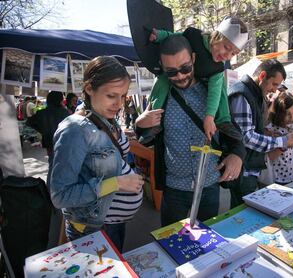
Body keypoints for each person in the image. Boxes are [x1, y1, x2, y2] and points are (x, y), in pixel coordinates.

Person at [135, 35, 245, 226]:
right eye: (171, 72)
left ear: (193, 59)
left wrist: (238, 155)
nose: (180, 76)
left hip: (209, 186)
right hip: (174, 189)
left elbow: (232, 129)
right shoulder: (161, 96)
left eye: (185, 68)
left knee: (207, 245)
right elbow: (146, 137)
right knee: (171, 244)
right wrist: (139, 124)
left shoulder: (212, 91)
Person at [50, 56, 144, 252]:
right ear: (89, 88)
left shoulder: (104, 116)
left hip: (112, 222)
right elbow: (60, 195)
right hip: (93, 228)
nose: (119, 104)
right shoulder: (74, 130)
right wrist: (117, 183)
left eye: (123, 96)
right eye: (111, 95)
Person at [148, 16, 249, 142]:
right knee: (162, 80)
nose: (227, 56)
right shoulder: (194, 36)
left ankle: (224, 120)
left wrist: (210, 116)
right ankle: (153, 117)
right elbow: (175, 37)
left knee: (221, 86)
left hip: (201, 78)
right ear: (217, 35)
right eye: (226, 48)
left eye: (233, 53)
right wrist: (161, 35)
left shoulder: (217, 67)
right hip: (174, 72)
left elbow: (215, 92)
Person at [228, 59, 293, 208]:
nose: (275, 90)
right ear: (262, 75)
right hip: (243, 169)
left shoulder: (253, 94)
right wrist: (283, 141)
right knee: (242, 212)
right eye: (274, 84)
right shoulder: (242, 94)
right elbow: (246, 137)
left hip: (249, 166)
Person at [260, 93, 293, 185]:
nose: (291, 117)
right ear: (278, 113)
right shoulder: (270, 129)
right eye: (287, 113)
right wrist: (285, 143)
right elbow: (270, 157)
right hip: (278, 176)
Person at [26, 91, 69, 181]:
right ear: (60, 100)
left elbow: (29, 122)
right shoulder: (65, 112)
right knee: (62, 166)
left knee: (52, 165)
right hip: (63, 142)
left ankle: (50, 189)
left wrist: (42, 129)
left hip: (49, 142)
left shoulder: (42, 112)